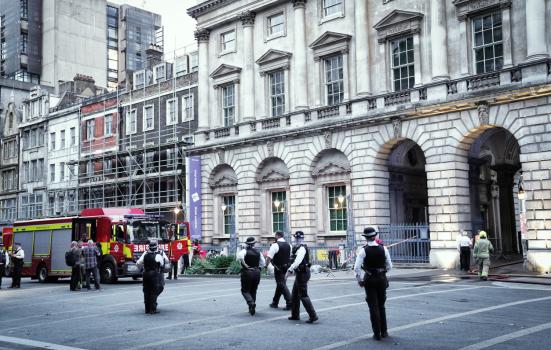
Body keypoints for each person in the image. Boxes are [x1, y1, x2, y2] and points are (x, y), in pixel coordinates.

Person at [354, 227, 392, 341]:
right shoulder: (383, 248)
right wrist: (382, 272)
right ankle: (384, 331)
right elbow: (390, 266)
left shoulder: (363, 250)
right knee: (381, 305)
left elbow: (356, 268)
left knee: (373, 307)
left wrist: (359, 280)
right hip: (381, 278)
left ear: (365, 238)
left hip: (370, 279)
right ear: (375, 236)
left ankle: (377, 334)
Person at [286, 231, 318, 324]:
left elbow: (297, 261)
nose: (296, 239)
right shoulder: (298, 247)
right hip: (301, 273)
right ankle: (295, 315)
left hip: (303, 273)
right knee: (295, 294)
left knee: (303, 295)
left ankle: (313, 315)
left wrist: (289, 270)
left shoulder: (302, 248)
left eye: (296, 238)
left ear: (297, 238)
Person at [137, 239, 169, 314]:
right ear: (157, 246)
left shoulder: (145, 254)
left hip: (145, 274)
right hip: (155, 274)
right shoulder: (159, 254)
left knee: (146, 291)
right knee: (155, 291)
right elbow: (164, 263)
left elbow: (138, 263)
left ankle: (147, 309)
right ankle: (153, 309)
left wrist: (142, 269)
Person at [237, 237, 265, 316]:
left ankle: (251, 303)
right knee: (253, 290)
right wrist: (259, 269)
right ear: (254, 243)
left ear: (247, 244)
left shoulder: (244, 251)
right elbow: (263, 263)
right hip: (256, 272)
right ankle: (252, 308)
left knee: (245, 290)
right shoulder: (258, 252)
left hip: (247, 272)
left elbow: (239, 257)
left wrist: (245, 265)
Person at [265, 231, 292, 310]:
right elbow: (289, 256)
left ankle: (290, 302)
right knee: (280, 284)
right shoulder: (289, 245)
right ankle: (275, 302)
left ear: (277, 236)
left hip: (278, 268)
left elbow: (269, 258)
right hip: (286, 267)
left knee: (281, 284)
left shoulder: (275, 245)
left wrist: (266, 266)